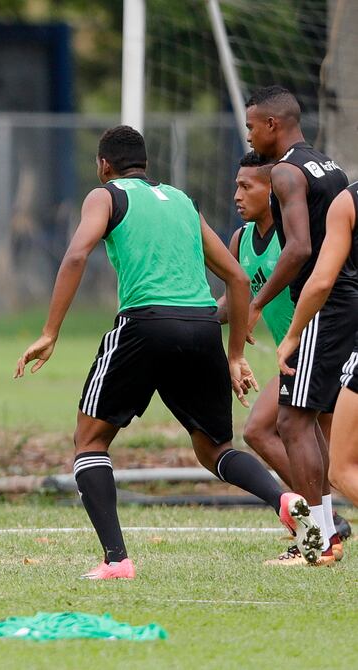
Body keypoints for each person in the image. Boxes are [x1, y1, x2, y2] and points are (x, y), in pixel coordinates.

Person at [14, 125, 312, 580]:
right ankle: (284, 500)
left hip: (145, 323)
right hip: (201, 327)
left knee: (90, 441)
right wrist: (234, 355)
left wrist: (50, 331)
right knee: (215, 449)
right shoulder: (182, 201)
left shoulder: (106, 196)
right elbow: (236, 278)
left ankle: (117, 559)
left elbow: (75, 256)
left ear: (104, 165)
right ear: (146, 164)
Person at [217, 151, 349, 564]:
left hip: (318, 345)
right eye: (236, 186)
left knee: (277, 430)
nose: (237, 195)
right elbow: (232, 303)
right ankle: (325, 524)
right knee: (273, 432)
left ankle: (322, 527)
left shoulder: (293, 239)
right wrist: (185, 316)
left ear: (271, 190)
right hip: (293, 356)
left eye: (247, 186)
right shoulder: (240, 240)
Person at [245, 85, 351, 565]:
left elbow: (300, 249)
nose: (249, 136)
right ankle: (326, 534)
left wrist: (256, 303)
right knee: (308, 423)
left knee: (291, 421)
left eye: (252, 126)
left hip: (324, 306)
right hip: (347, 301)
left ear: (273, 124)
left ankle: (318, 540)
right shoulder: (329, 166)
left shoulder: (286, 172)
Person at [278, 183, 358, 538]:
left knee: (342, 469)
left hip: (334, 326)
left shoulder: (349, 201)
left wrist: (293, 334)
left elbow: (322, 280)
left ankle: (322, 539)